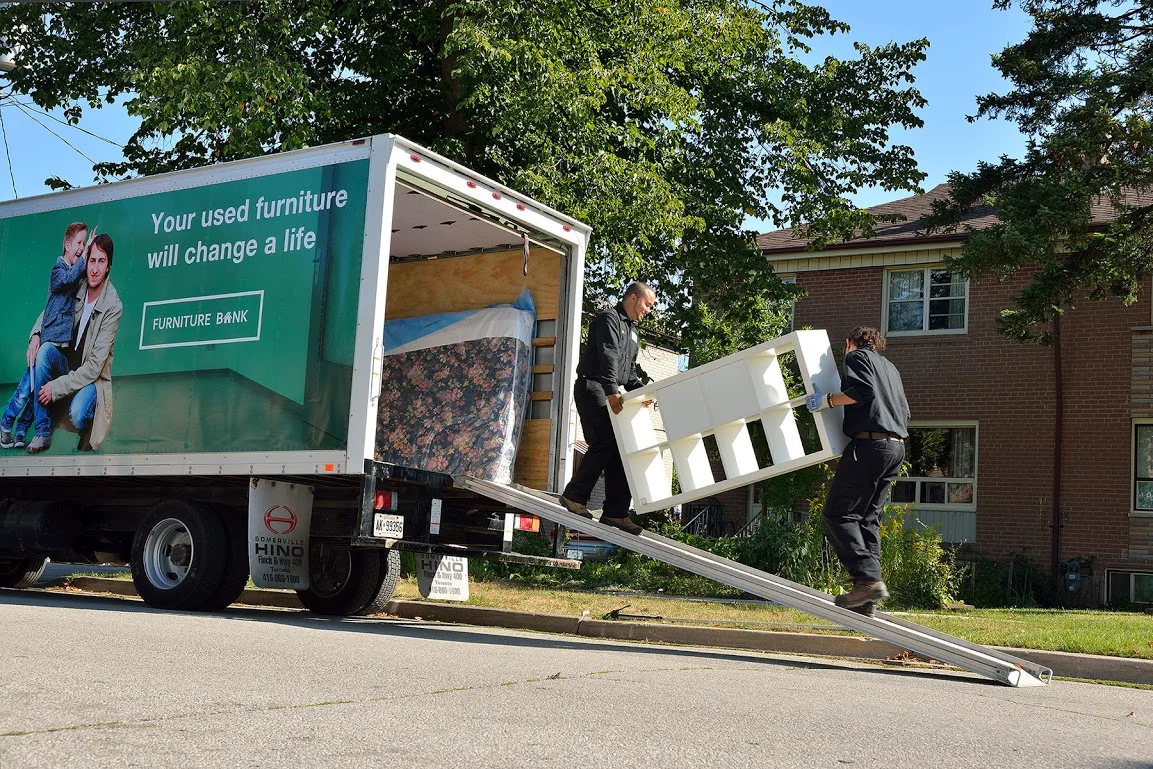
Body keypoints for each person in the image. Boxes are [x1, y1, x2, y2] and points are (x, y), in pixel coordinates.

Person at [807, 326, 909, 616]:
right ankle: (868, 597)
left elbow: (861, 392)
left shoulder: (856, 358)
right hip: (895, 448)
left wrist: (826, 400)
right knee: (867, 519)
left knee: (838, 514)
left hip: (869, 445)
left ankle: (865, 581)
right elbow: (904, 411)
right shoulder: (890, 369)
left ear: (849, 343)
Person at [559, 281, 657, 534]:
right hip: (593, 387)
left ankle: (615, 513)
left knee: (621, 449)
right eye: (647, 304)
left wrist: (641, 393)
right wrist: (613, 391)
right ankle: (574, 496)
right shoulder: (608, 319)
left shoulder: (633, 332)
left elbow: (631, 372)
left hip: (609, 388)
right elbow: (609, 355)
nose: (648, 310)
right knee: (604, 442)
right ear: (633, 298)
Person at [23, 233, 122, 454]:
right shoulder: (78, 285)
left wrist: (55, 388)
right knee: (46, 351)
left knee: (78, 413)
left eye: (101, 261)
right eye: (92, 260)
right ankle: (43, 432)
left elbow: (94, 367)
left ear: (108, 266)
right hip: (67, 368)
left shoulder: (113, 305)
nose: (95, 268)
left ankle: (86, 427)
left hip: (91, 381)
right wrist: (36, 334)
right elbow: (51, 311)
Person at [1, 222, 90, 450]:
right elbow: (54, 301)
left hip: (57, 353)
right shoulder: (59, 270)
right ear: (67, 245)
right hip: (50, 344)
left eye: (84, 243)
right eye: (79, 243)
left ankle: (20, 432)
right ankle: (7, 424)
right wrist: (36, 334)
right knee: (25, 390)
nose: (82, 248)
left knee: (33, 390)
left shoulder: (78, 279)